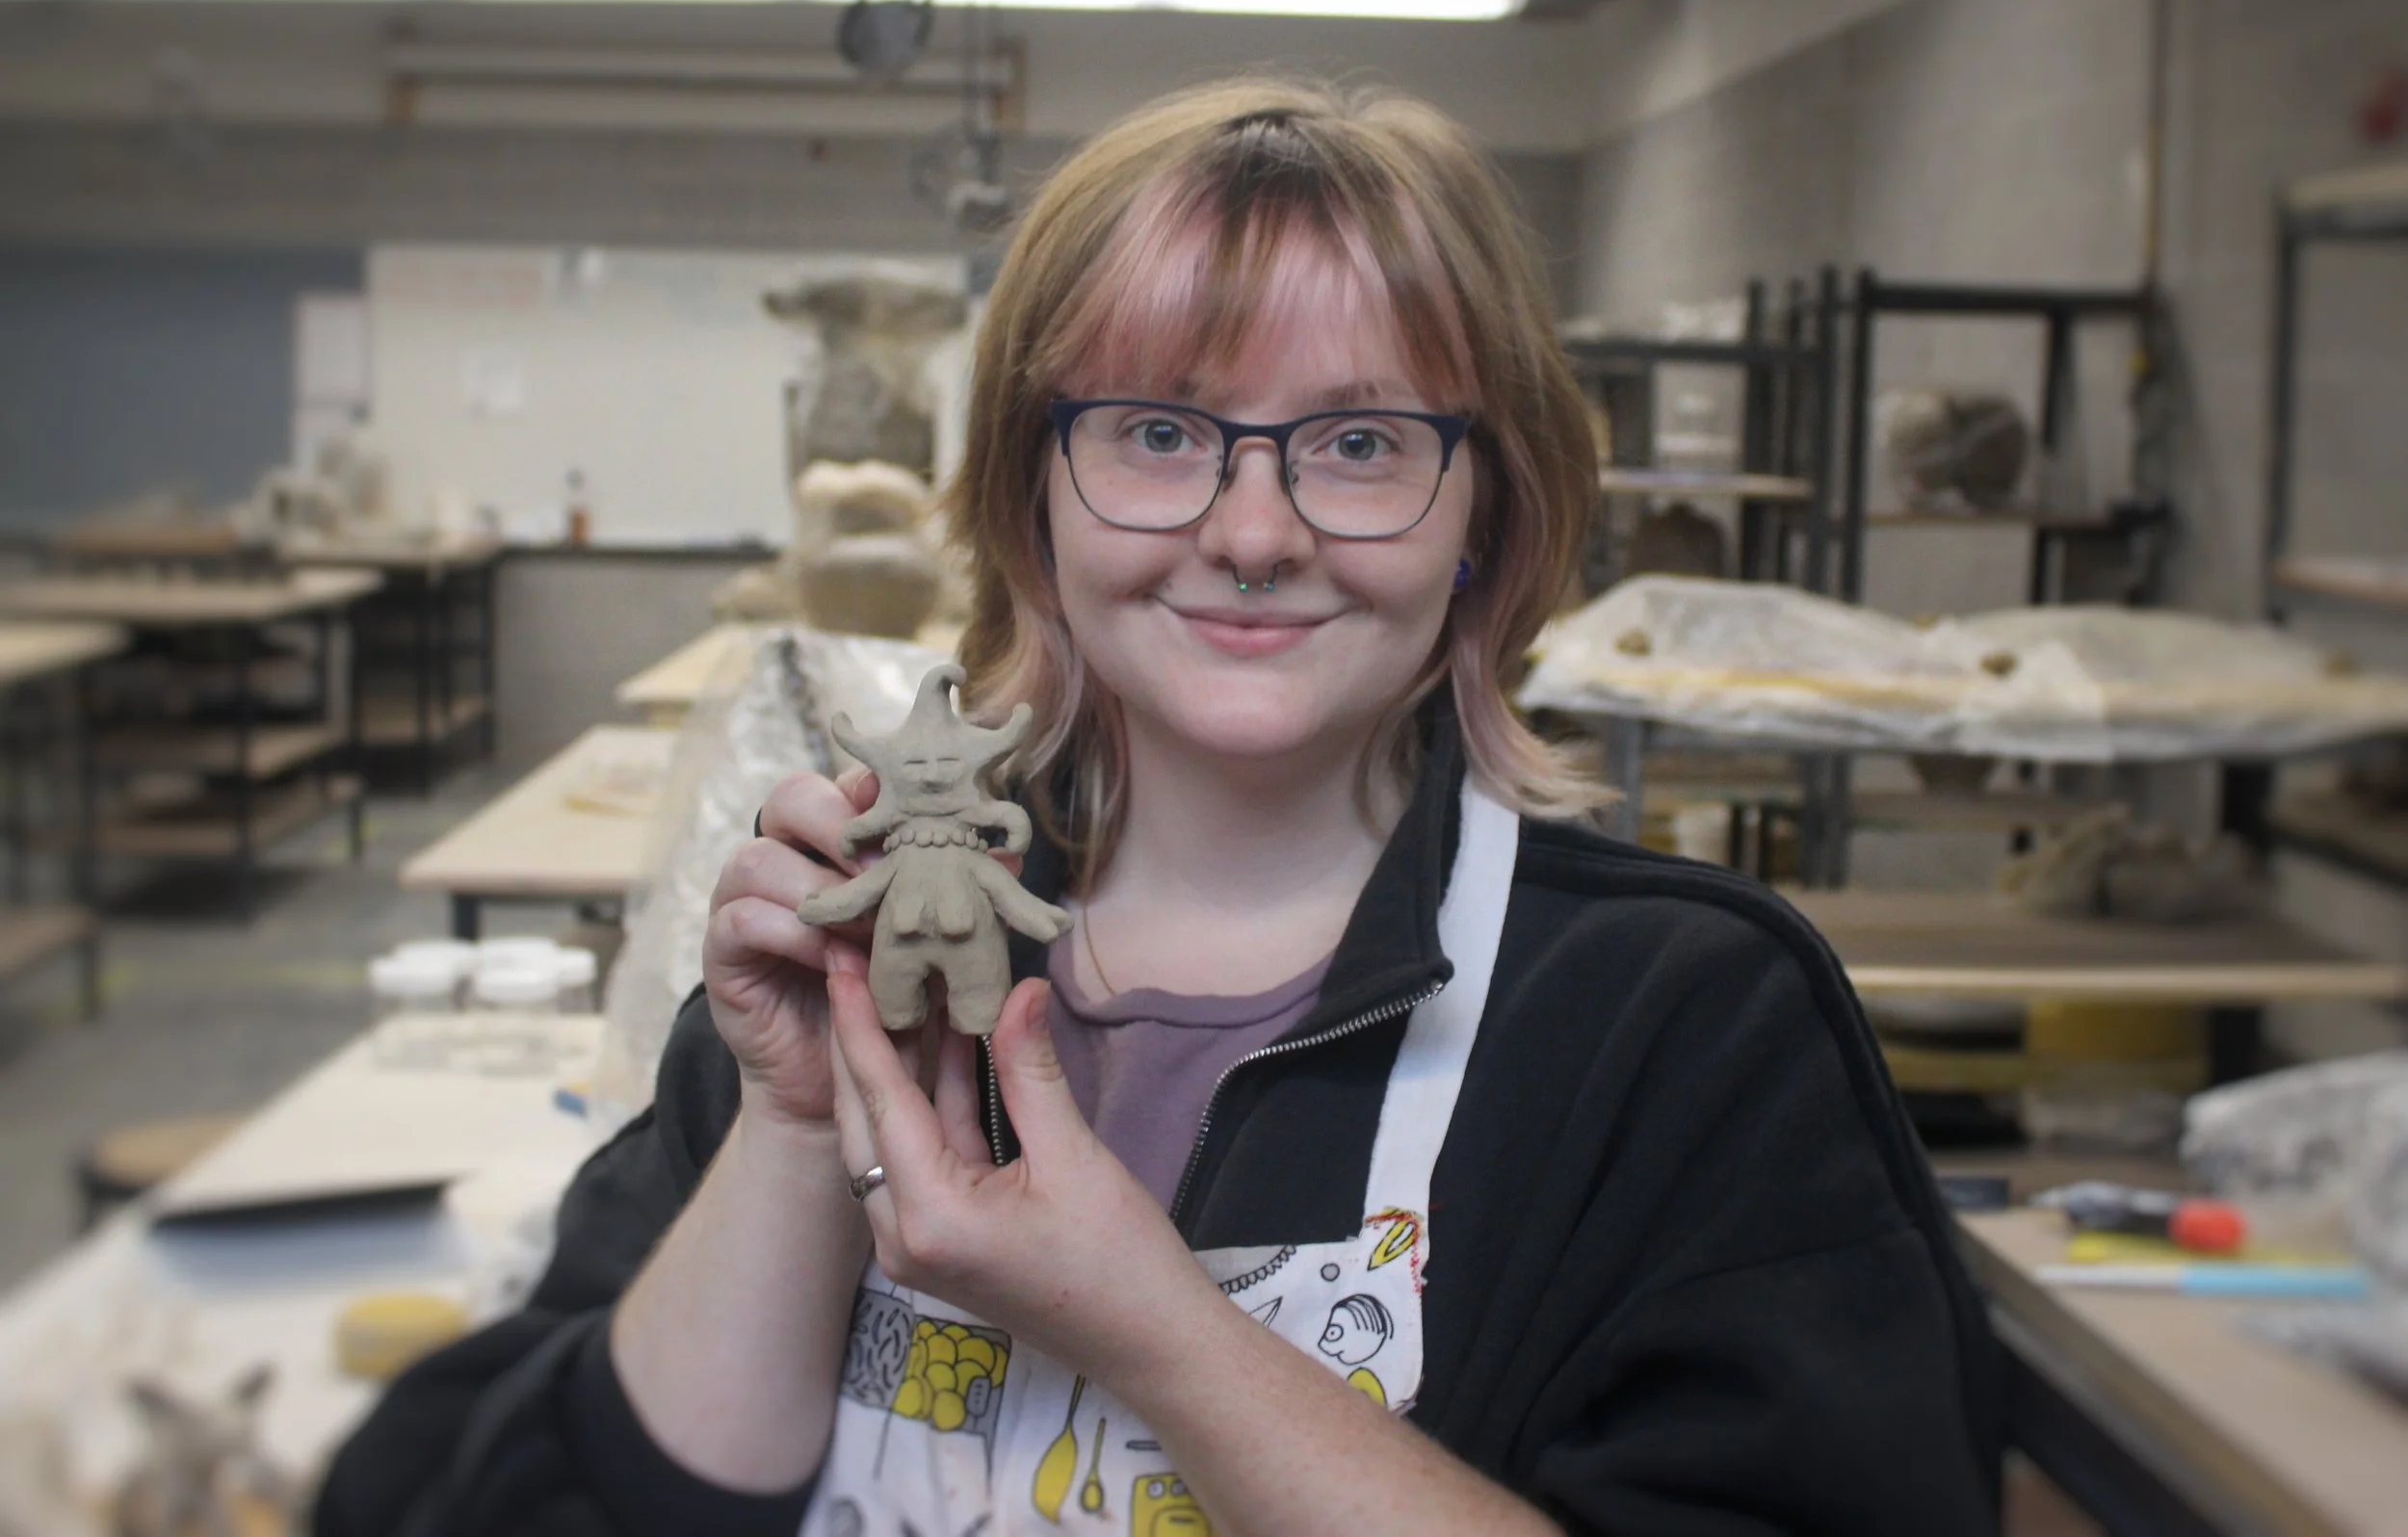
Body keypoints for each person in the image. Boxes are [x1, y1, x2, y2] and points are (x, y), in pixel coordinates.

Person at [318, 79, 2001, 1536]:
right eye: (1155, 431)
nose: (1254, 530)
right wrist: (795, 1134)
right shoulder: (867, 958)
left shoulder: (1682, 1029)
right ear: (1028, 500)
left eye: (1356, 444)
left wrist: (1161, 1335)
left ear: (1487, 509)